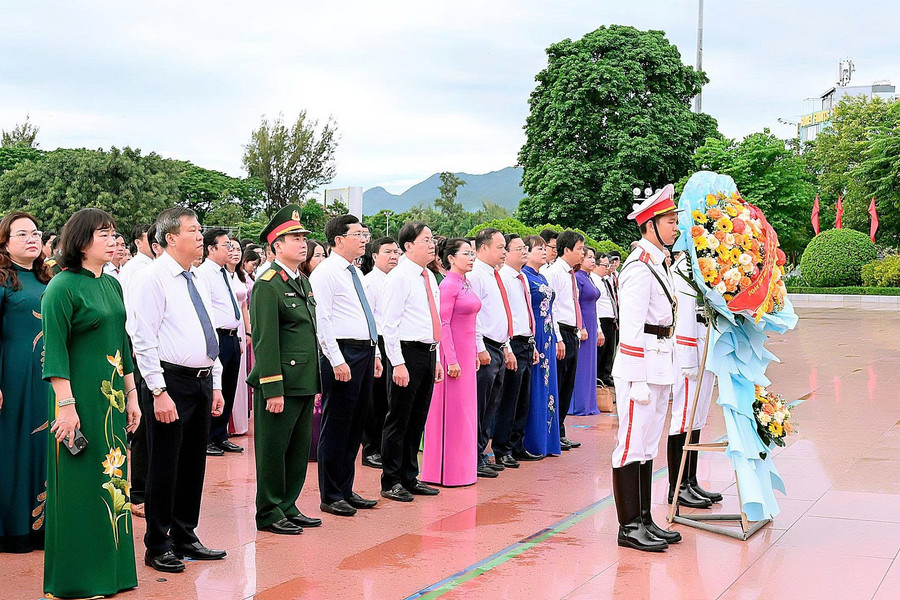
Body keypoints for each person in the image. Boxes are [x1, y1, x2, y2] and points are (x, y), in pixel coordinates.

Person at [42, 208, 142, 596]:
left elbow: (123, 343)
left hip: (113, 401)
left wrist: (132, 396)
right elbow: (55, 352)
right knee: (81, 487)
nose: (113, 240)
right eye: (104, 234)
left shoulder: (113, 284)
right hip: (79, 401)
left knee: (113, 482)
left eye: (114, 233)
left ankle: (114, 573)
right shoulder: (62, 287)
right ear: (81, 241)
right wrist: (66, 406)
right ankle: (78, 580)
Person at [127, 207, 227, 572]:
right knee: (164, 463)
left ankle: (186, 533)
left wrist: (214, 383)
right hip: (171, 382)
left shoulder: (196, 277)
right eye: (193, 231)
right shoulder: (152, 278)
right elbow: (143, 337)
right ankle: (158, 543)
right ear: (170, 238)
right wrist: (157, 390)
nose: (201, 236)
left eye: (201, 230)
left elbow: (207, 332)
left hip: (200, 379)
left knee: (192, 463)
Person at [610, 184, 683, 552]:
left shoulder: (658, 263)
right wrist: (637, 377)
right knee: (630, 444)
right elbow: (632, 326)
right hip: (640, 368)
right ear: (650, 225)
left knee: (648, 444)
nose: (675, 228)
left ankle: (644, 519)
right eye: (670, 221)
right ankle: (628, 526)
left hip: (659, 361)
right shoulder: (638, 268)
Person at [247, 205, 322, 535]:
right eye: (294, 238)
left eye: (304, 237)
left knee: (296, 449)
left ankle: (288, 504)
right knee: (273, 450)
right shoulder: (267, 284)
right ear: (276, 245)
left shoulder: (301, 281)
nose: (302, 243)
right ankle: (268, 510)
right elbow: (265, 341)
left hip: (304, 380)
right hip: (281, 383)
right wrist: (273, 389)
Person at [310, 215, 381, 517]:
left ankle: (346, 487)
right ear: (338, 240)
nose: (364, 239)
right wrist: (336, 359)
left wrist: (375, 353)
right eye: (358, 234)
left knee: (355, 424)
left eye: (365, 233)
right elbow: (322, 320)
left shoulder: (355, 272)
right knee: (337, 423)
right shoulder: (326, 272)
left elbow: (366, 315)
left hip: (364, 352)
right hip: (343, 353)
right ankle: (331, 493)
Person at [380, 222, 444, 502]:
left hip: (428, 352)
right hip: (406, 353)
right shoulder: (399, 277)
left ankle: (409, 476)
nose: (432, 245)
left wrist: (438, 357)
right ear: (408, 246)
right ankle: (391, 480)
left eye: (432, 240)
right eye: (425, 240)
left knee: (418, 418)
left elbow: (434, 320)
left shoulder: (428, 276)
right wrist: (398, 363)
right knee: (399, 419)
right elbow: (389, 324)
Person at [0, 212, 51, 553]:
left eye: (35, 233)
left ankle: (43, 528)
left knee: (42, 447)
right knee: (12, 449)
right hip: (13, 379)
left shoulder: (49, 279)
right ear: (4, 242)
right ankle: (12, 529)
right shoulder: (3, 280)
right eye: (22, 234)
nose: (32, 238)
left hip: (48, 379)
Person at [421, 238, 480, 486]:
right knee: (453, 413)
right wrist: (452, 360)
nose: (471, 257)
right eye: (466, 253)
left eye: (472, 253)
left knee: (466, 412)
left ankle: (463, 470)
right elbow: (443, 324)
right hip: (451, 355)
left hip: (467, 353)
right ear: (451, 258)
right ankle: (444, 471)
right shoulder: (448, 286)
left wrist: (475, 351)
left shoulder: (466, 283)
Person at [667, 251, 722, 509]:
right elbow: (685, 317)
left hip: (704, 345)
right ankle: (676, 486)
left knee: (697, 417)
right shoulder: (683, 268)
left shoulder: (700, 266)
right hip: (689, 351)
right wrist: (688, 357)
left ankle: (690, 479)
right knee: (684, 417)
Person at [492, 234, 542, 467]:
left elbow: (524, 314)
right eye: (518, 248)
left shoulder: (521, 277)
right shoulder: (502, 277)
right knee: (509, 400)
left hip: (526, 341)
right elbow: (505, 315)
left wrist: (531, 342)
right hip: (511, 342)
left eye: (525, 248)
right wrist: (508, 347)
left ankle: (517, 444)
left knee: (523, 399)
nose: (524, 252)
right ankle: (502, 448)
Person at [467, 228, 512, 478]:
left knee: (491, 405)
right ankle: (473, 455)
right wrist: (481, 347)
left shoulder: (495, 275)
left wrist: (505, 345)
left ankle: (481, 453)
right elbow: (474, 316)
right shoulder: (476, 275)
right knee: (480, 404)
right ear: (483, 248)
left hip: (497, 345)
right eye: (500, 247)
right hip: (484, 346)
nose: (504, 252)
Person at [197, 230, 245, 456]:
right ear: (211, 249)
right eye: (226, 245)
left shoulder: (225, 273)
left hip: (232, 336)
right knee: (215, 387)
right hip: (216, 336)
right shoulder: (204, 273)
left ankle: (220, 435)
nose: (232, 250)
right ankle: (206, 437)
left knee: (229, 387)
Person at [544, 230, 586, 450]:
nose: (582, 253)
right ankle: (554, 432)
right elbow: (551, 308)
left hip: (572, 332)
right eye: (579, 249)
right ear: (566, 249)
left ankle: (560, 429)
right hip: (560, 332)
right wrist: (558, 338)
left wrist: (578, 331)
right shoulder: (555, 273)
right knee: (558, 384)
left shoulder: (570, 272)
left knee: (567, 384)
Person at [361, 237, 400, 468]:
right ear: (375, 256)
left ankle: (386, 446)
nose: (394, 256)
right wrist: (375, 351)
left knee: (391, 398)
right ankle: (371, 449)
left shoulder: (398, 280)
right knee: (375, 399)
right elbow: (370, 320)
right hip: (378, 342)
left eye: (396, 252)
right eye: (388, 252)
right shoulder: (369, 282)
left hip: (396, 341)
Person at [521, 236, 561, 458]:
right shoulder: (524, 277)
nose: (544, 251)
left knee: (548, 386)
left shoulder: (542, 276)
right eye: (539, 248)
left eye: (544, 248)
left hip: (548, 335)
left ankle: (548, 439)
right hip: (535, 334)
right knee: (535, 385)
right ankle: (533, 440)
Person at [570, 247, 603, 415]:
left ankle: (589, 403)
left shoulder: (589, 278)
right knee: (581, 364)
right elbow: (574, 303)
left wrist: (598, 328)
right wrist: (580, 326)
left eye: (593, 257)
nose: (592, 260)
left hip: (592, 322)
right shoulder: (576, 278)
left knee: (590, 364)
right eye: (588, 257)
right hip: (582, 323)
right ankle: (578, 404)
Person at [227, 238, 252, 436]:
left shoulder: (240, 276)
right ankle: (225, 425)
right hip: (226, 329)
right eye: (231, 248)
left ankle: (238, 423)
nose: (235, 252)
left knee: (239, 376)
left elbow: (244, 306)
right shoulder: (218, 275)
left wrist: (248, 331)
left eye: (238, 249)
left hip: (240, 328)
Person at [593, 253, 618, 387]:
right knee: (601, 350)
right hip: (601, 319)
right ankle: (598, 375)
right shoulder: (594, 280)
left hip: (610, 319)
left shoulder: (606, 280)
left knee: (609, 350)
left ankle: (606, 374)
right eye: (604, 265)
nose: (607, 268)